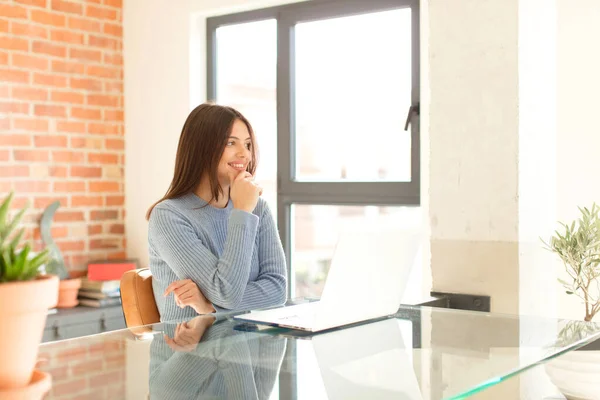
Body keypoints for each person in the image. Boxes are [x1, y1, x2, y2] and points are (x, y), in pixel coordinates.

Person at [146, 103, 287, 322]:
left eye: (248, 145)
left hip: (245, 348)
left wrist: (210, 305)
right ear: (201, 148)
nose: (244, 154)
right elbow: (227, 293)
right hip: (189, 351)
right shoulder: (169, 216)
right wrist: (242, 211)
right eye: (231, 143)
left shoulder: (257, 208)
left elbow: (277, 290)